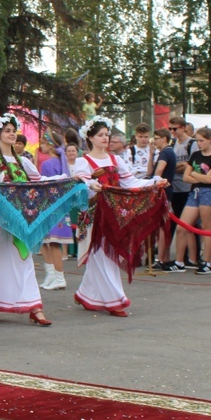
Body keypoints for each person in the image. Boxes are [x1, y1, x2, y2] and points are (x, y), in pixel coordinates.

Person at [71, 118, 163, 314]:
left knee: (104, 256)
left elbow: (130, 183)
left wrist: (154, 182)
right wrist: (91, 185)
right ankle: (115, 299)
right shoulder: (83, 161)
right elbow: (82, 182)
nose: (105, 138)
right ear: (90, 138)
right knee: (101, 255)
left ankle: (85, 293)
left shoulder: (116, 159)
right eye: (100, 135)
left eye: (107, 135)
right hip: (95, 214)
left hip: (114, 213)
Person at [0, 113, 51, 324]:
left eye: (13, 131)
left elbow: (39, 183)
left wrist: (66, 180)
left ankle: (34, 307)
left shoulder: (23, 162)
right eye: (6, 131)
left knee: (23, 262)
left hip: (19, 221)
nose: (11, 134)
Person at [167, 127, 211, 274]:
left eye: (201, 141)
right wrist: (200, 176)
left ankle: (207, 262)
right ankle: (179, 262)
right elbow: (186, 177)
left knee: (207, 227)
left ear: (209, 140)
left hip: (210, 193)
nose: (199, 144)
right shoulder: (195, 155)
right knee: (182, 227)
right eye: (197, 141)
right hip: (195, 191)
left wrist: (195, 174)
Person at [39, 140, 79, 291]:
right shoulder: (62, 164)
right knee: (50, 241)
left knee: (51, 242)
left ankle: (58, 276)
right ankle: (52, 275)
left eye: (43, 142)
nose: (40, 146)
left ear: (50, 145)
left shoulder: (47, 164)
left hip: (49, 205)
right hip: (61, 206)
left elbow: (45, 186)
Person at [168, 117, 198, 267]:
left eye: (175, 129)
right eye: (170, 129)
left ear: (183, 128)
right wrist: (179, 166)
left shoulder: (192, 144)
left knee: (191, 224)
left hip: (188, 188)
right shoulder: (173, 144)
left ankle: (193, 255)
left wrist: (178, 166)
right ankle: (180, 253)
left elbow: (191, 164)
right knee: (176, 222)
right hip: (176, 187)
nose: (173, 132)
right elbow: (173, 164)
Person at [149, 129, 177, 270]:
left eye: (157, 138)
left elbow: (159, 171)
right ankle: (164, 257)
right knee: (164, 225)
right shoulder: (170, 152)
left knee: (162, 226)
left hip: (163, 191)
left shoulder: (165, 153)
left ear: (165, 139)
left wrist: (155, 185)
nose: (155, 140)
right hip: (167, 190)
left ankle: (160, 258)